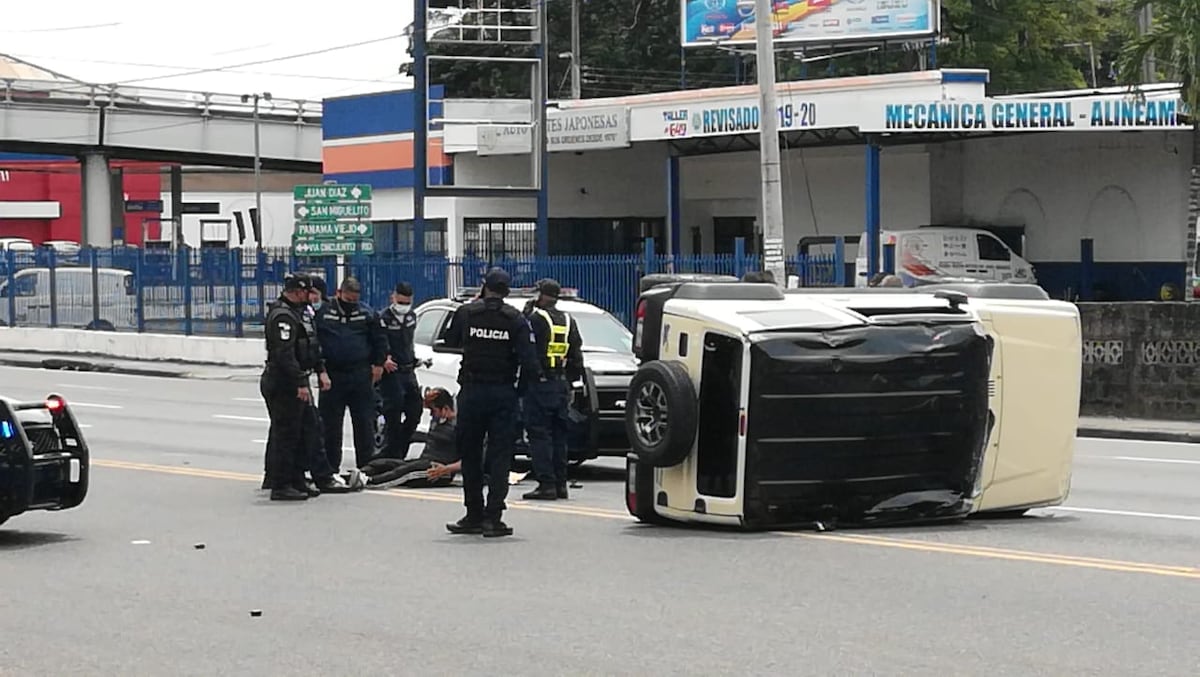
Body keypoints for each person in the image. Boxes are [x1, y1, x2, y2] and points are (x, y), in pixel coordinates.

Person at [440, 266, 540, 538]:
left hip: (472, 393)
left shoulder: (467, 313)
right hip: (502, 394)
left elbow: (449, 341)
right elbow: (530, 364)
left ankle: (473, 513)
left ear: (484, 287)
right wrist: (518, 394)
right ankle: (492, 518)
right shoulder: (516, 319)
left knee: (470, 454)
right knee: (499, 456)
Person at [260, 273, 324, 502]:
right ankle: (281, 484)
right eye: (307, 293)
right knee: (286, 434)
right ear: (297, 292)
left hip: (296, 380)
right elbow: (284, 355)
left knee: (304, 431)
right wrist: (299, 382)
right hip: (284, 383)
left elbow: (310, 346)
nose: (311, 297)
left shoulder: (297, 313)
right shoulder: (283, 317)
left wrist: (318, 370)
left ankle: (296, 478)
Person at [315, 277, 388, 471]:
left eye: (354, 300)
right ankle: (330, 469)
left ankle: (366, 467)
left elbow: (380, 340)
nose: (351, 304)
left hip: (360, 374)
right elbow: (314, 342)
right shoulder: (324, 313)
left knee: (364, 423)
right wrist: (319, 369)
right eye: (348, 300)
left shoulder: (366, 313)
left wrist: (378, 365)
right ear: (339, 294)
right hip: (333, 374)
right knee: (330, 426)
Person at [521, 278, 584, 501]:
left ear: (541, 294)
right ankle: (560, 484)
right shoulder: (567, 320)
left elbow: (526, 351)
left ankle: (546, 484)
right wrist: (570, 382)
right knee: (559, 436)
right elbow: (577, 354)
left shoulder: (536, 319)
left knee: (539, 436)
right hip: (561, 385)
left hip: (540, 385)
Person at [360, 387, 461, 489]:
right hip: (424, 462)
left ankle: (370, 482)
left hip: (440, 470)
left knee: (406, 471)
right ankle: (357, 475)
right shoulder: (436, 420)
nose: (431, 414)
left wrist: (447, 469)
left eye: (433, 410)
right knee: (381, 464)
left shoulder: (459, 427)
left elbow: (470, 459)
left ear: (445, 409)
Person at [378, 282, 425, 459]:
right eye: (401, 302)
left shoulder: (412, 316)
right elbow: (378, 341)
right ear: (394, 297)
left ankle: (400, 447)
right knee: (393, 414)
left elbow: (409, 342)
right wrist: (384, 358)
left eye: (407, 303)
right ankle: (391, 453)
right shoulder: (384, 318)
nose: (404, 307)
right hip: (392, 373)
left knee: (415, 411)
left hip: (408, 371)